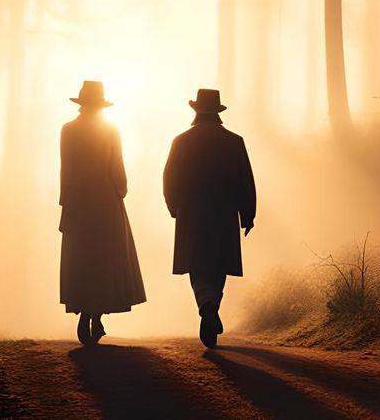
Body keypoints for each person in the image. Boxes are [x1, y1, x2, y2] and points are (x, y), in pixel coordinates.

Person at [163, 88, 256, 348]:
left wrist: (174, 208)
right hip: (224, 214)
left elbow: (169, 179)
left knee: (197, 265)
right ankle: (211, 304)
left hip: (191, 215)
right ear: (217, 112)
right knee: (218, 265)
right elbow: (245, 180)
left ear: (196, 111)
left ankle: (205, 304)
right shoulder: (234, 141)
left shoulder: (181, 141)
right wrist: (247, 214)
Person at [59, 80, 146, 345]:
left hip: (78, 203)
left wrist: (65, 203)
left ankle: (86, 309)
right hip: (106, 203)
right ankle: (96, 314)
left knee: (82, 258)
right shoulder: (110, 130)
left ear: (82, 104)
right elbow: (118, 171)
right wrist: (120, 192)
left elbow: (66, 171)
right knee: (105, 259)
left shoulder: (69, 130)